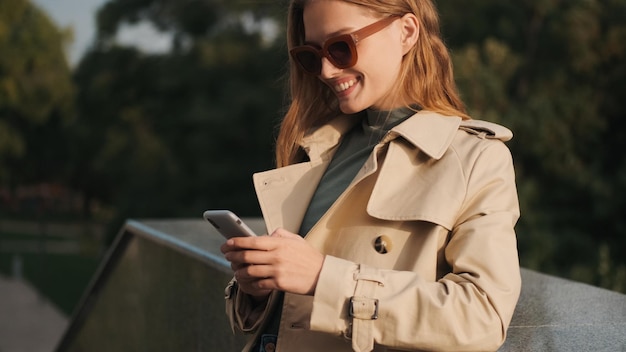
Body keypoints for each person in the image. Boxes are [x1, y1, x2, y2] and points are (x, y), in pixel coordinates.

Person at [220, 0, 521, 351]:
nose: (327, 71)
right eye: (312, 56)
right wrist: (261, 287)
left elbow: (483, 317)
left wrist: (322, 276)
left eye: (340, 47)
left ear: (406, 32)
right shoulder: (318, 146)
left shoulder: (475, 158)